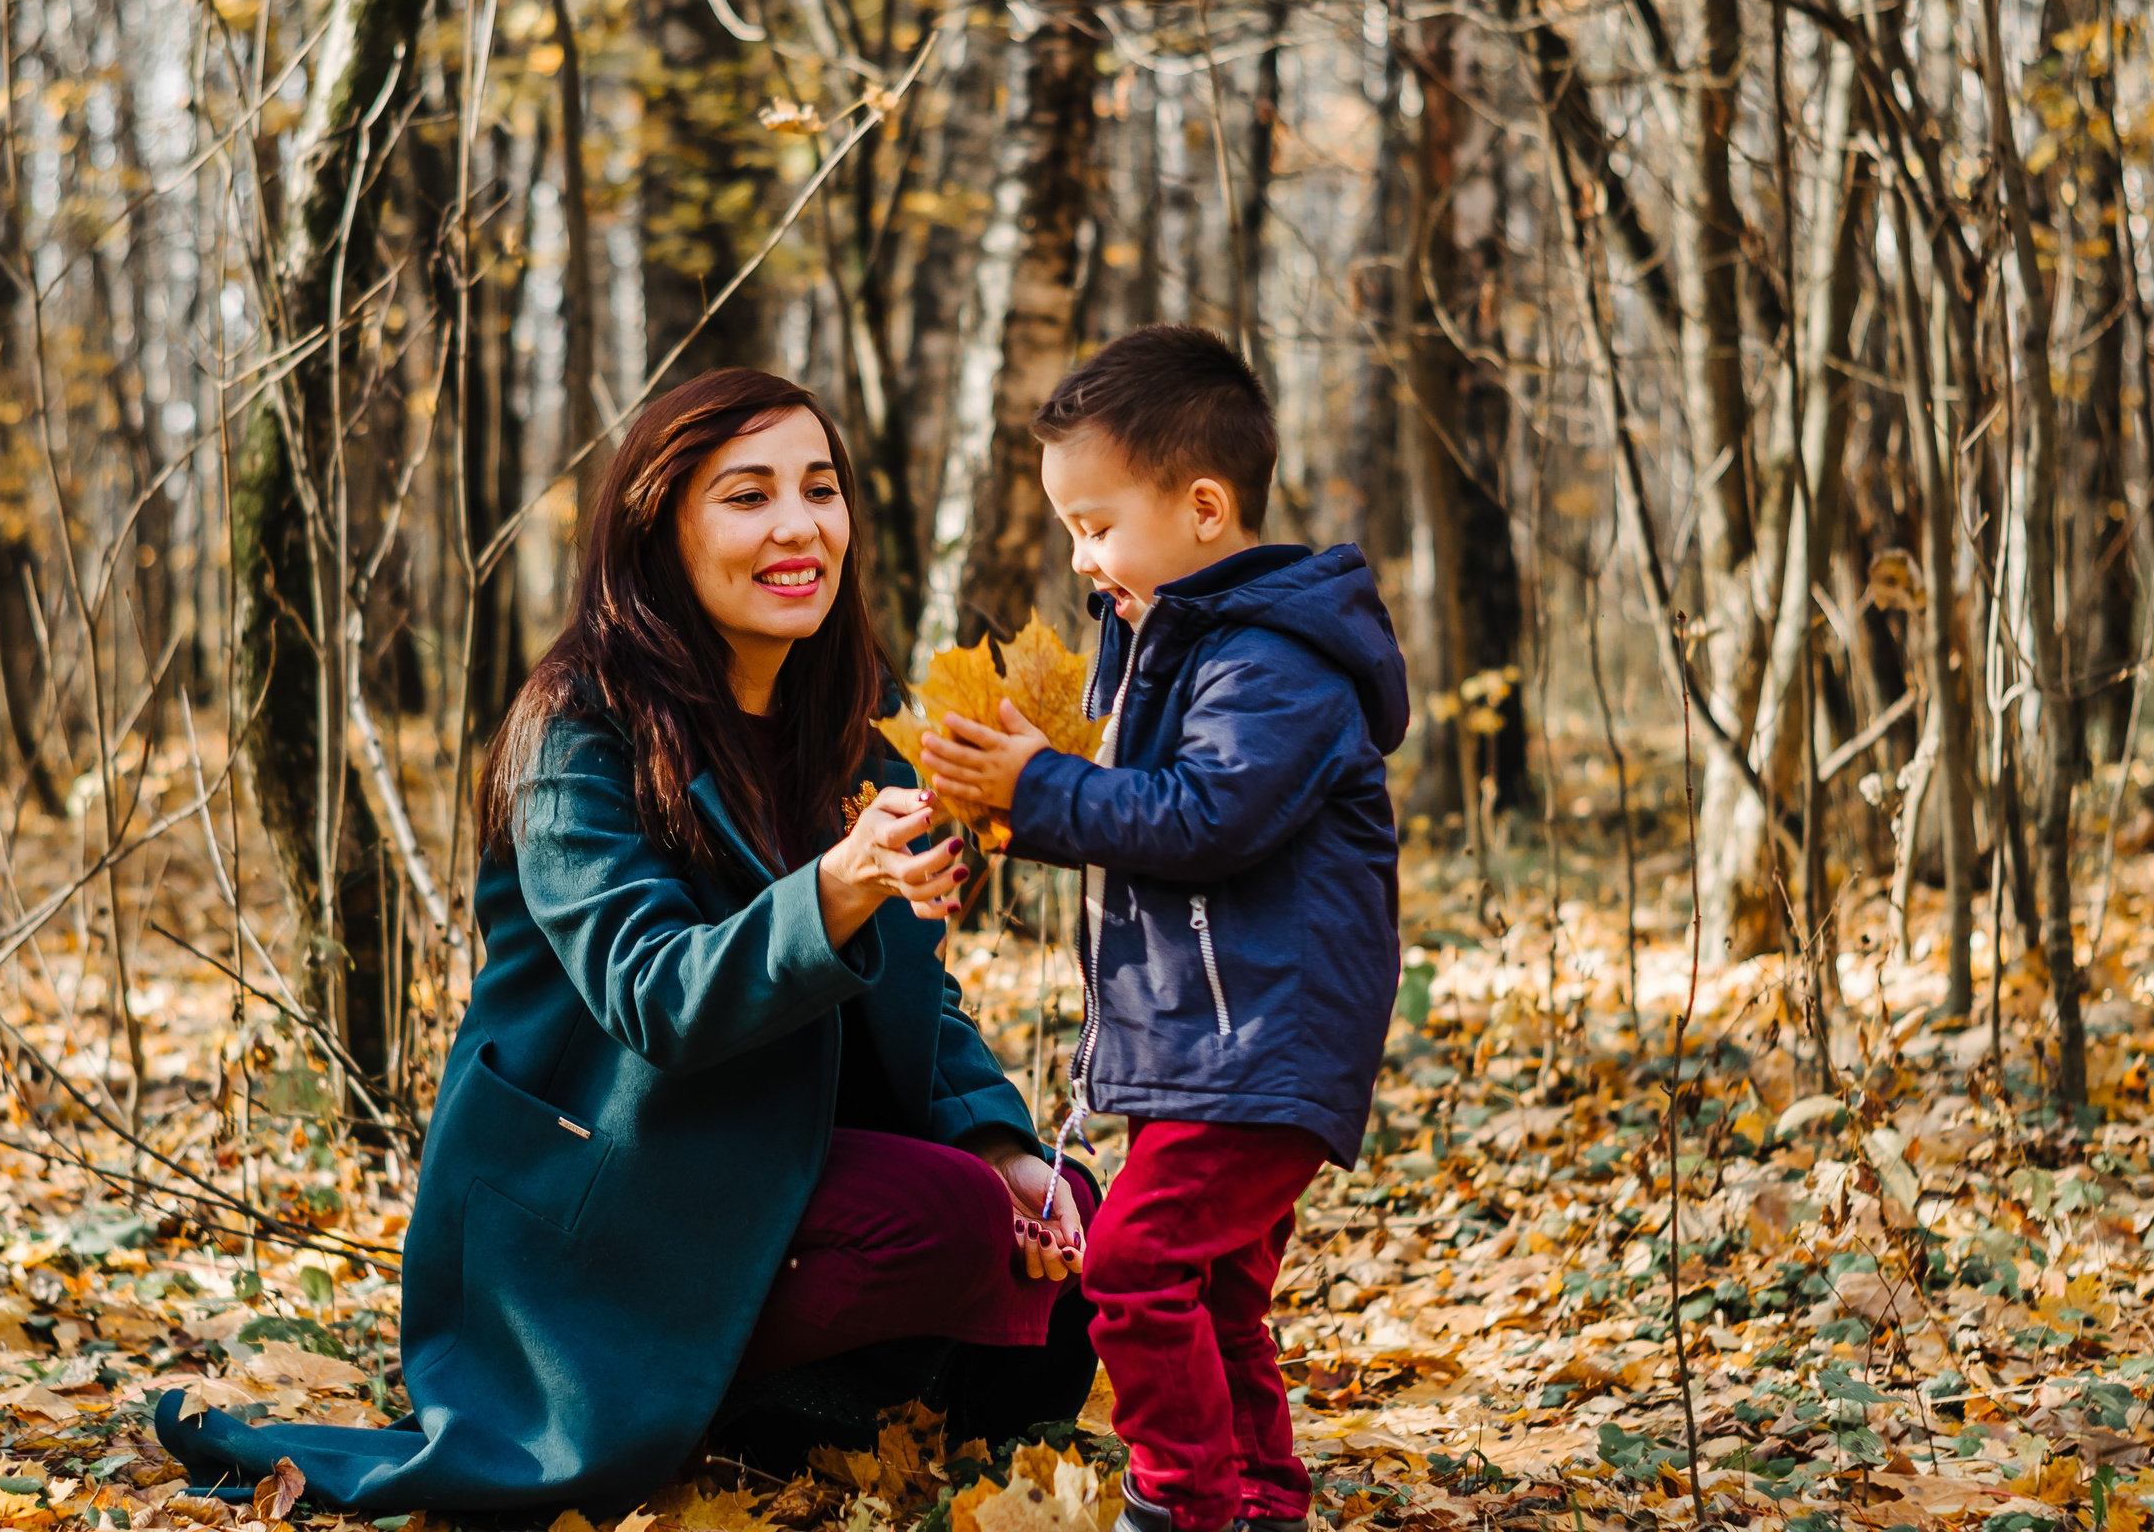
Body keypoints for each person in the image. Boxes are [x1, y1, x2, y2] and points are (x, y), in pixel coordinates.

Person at [156, 370, 1091, 1516]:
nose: (798, 525)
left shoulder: (855, 722)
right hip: (607, 1188)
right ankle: (668, 1392)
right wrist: (836, 890)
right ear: (662, 529)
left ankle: (785, 1395)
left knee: (1065, 1217)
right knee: (943, 1222)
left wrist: (1003, 1144)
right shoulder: (575, 734)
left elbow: (916, 998)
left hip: (774, 1151)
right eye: (746, 497)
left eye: (820, 489)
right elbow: (655, 996)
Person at [920, 327, 1410, 1532]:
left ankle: (1181, 1503)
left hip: (1266, 1043)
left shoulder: (1273, 658)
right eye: (1068, 529)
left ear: (1203, 506)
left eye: (1095, 524)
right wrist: (1001, 819)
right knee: (1216, 1293)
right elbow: (1134, 827)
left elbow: (1204, 819)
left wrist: (1034, 789)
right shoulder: (1161, 646)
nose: (1081, 557)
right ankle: (1260, 1502)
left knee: (1133, 1266)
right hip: (1209, 1044)